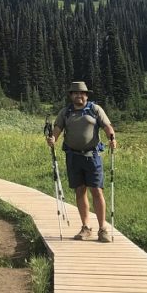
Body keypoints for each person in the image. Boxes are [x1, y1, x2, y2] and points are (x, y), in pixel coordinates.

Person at [46, 81, 117, 242]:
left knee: (97, 191)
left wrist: (112, 139)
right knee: (80, 190)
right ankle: (86, 227)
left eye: (82, 93)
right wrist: (52, 140)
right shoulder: (66, 112)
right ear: (71, 96)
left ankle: (102, 229)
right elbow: (57, 130)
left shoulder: (95, 109)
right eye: (75, 93)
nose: (79, 95)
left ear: (86, 95)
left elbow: (107, 127)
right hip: (73, 156)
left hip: (92, 156)